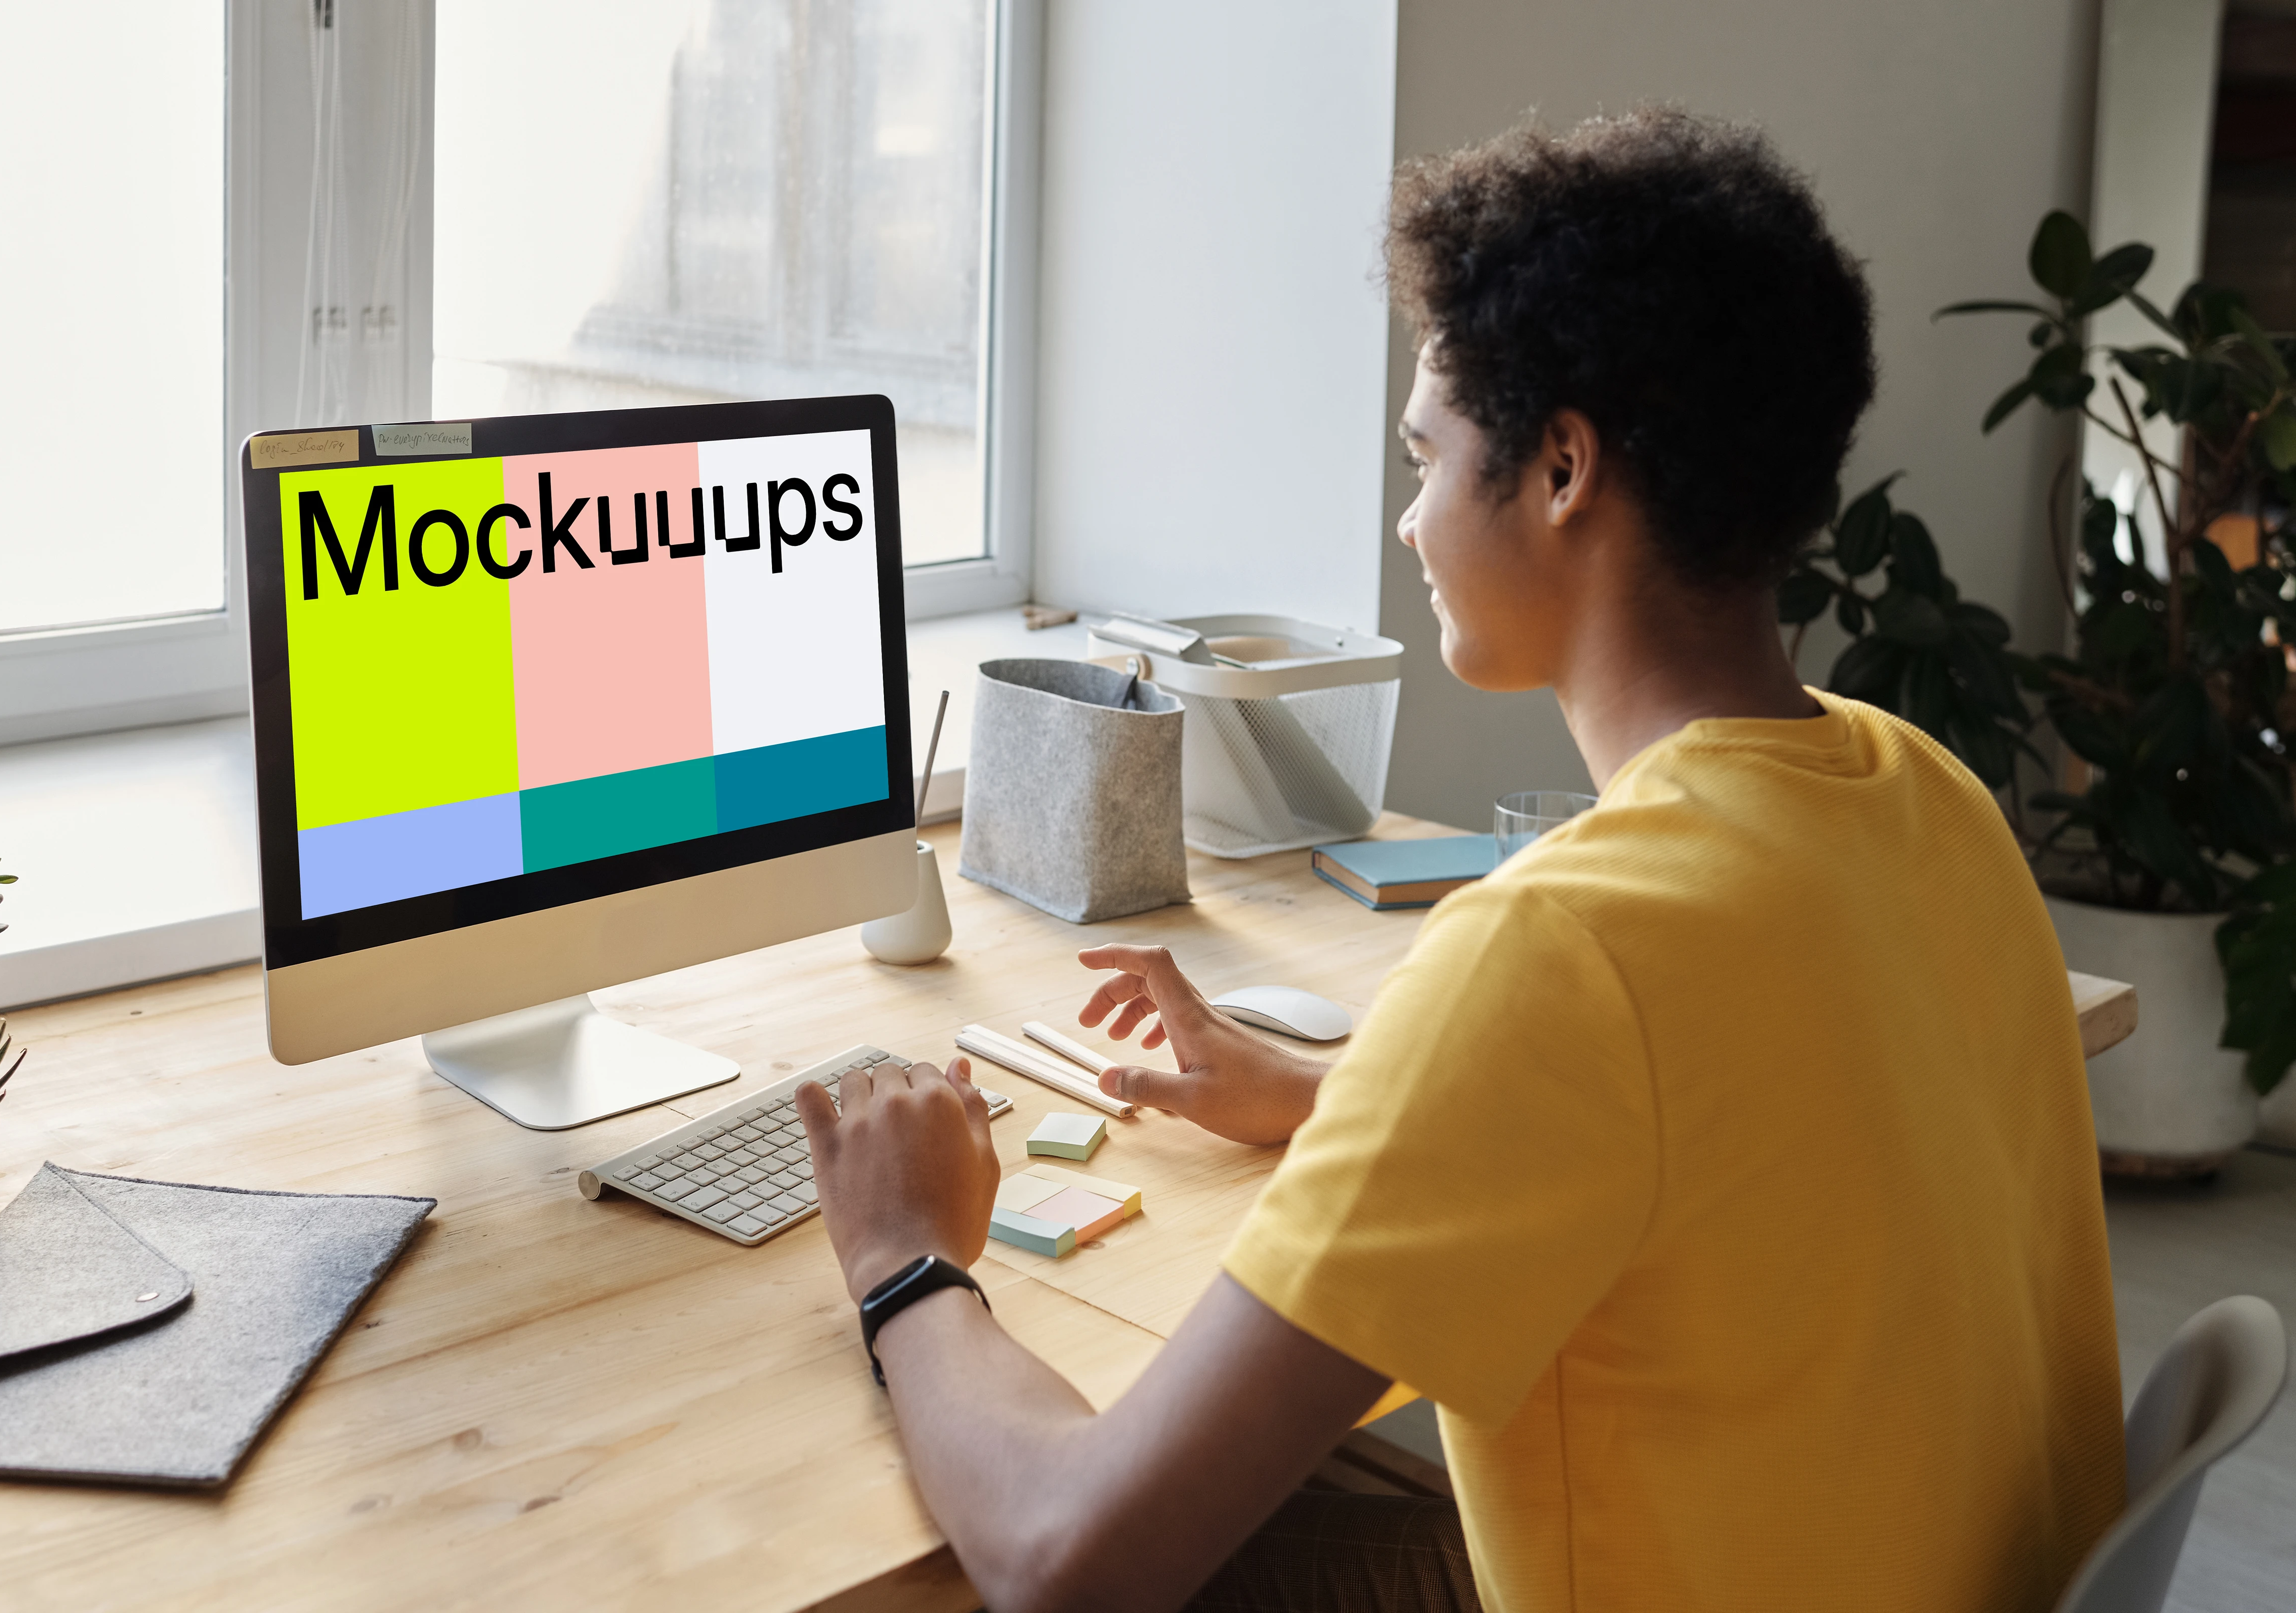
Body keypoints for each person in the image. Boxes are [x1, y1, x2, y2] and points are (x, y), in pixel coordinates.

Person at [791, 107, 2125, 1613]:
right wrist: (1335, 1102)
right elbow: (1727, 1122)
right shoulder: (1919, 791)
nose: (1412, 521)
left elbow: (1066, 1561)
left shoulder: (1568, 949)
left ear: (1562, 469)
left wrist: (905, 1259)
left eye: (1427, 457)